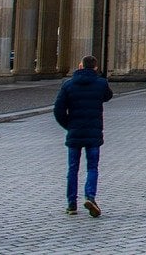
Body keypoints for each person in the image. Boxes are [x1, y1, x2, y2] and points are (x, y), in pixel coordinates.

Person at [53, 55, 113, 217]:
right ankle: (90, 196)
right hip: (93, 133)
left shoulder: (68, 85)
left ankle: (71, 204)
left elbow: (58, 110)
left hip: (75, 132)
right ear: (95, 67)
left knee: (73, 169)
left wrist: (69, 125)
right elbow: (108, 96)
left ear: (80, 66)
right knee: (92, 167)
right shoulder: (100, 84)